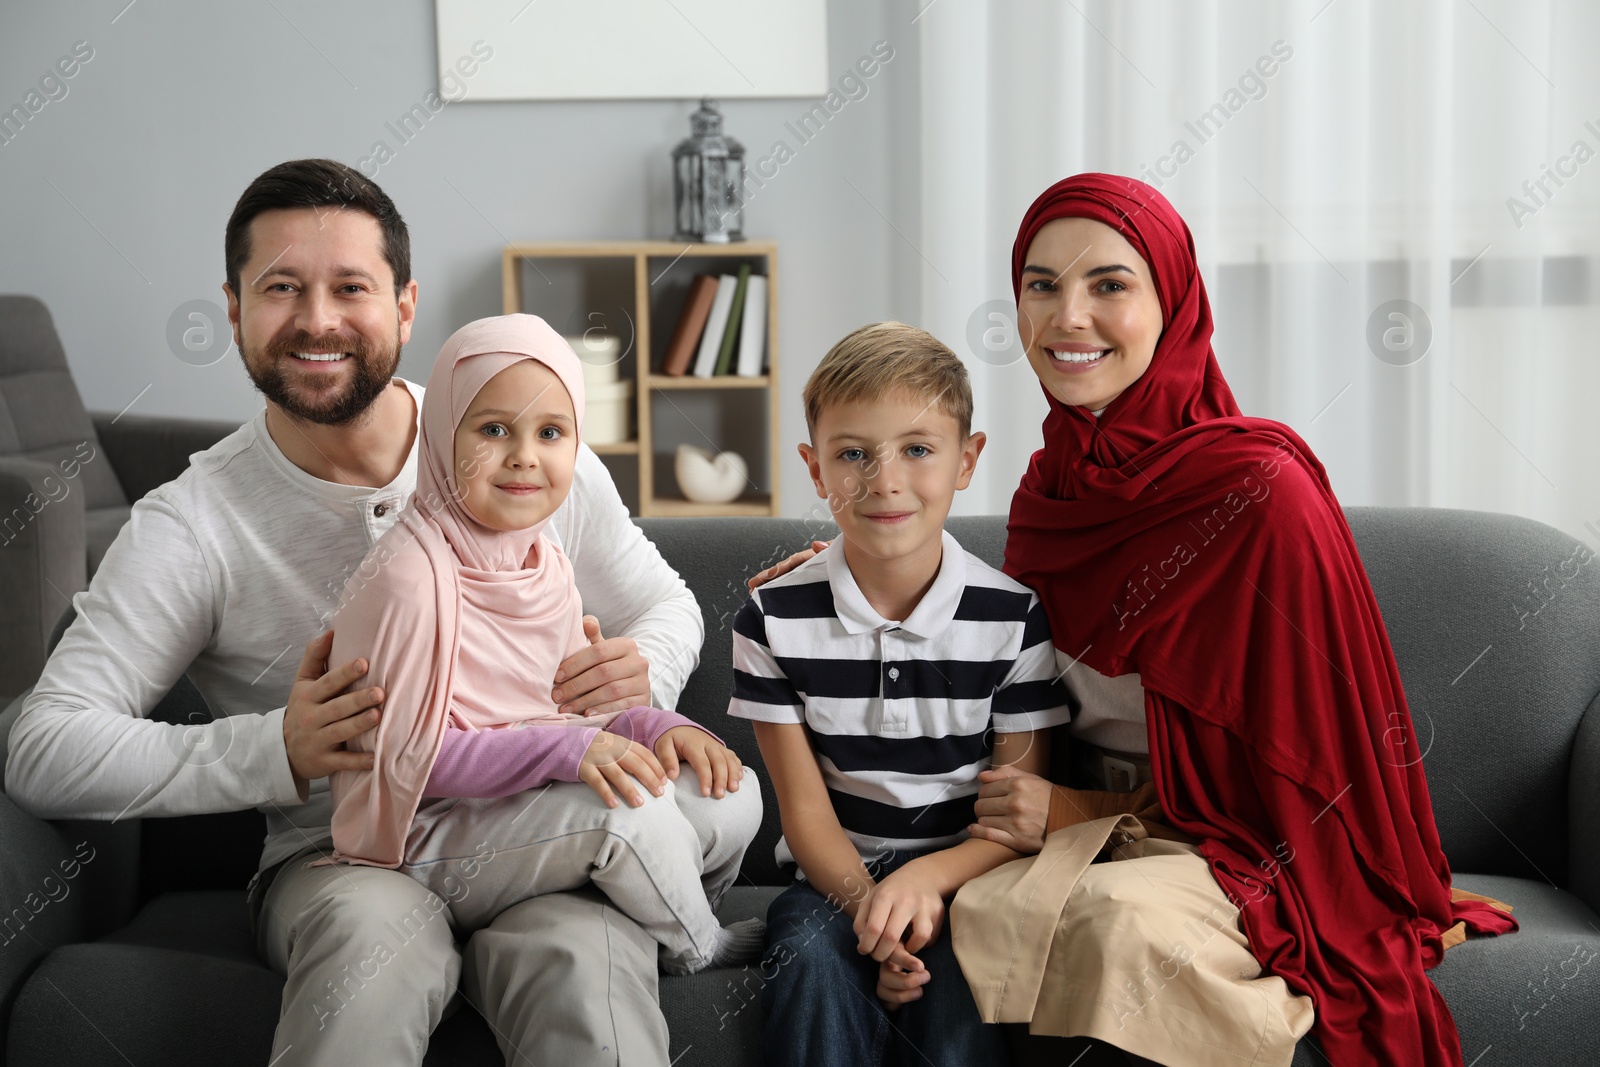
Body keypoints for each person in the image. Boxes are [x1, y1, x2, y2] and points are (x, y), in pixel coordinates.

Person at [5, 158, 705, 1066]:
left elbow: (668, 603)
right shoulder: (192, 522)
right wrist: (275, 748)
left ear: (406, 307)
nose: (318, 319)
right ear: (234, 309)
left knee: (583, 966)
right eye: (281, 287)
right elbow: (45, 746)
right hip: (340, 862)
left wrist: (645, 661)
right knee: (370, 953)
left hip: (541, 830)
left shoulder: (521, 437)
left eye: (351, 288)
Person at [951, 173, 1517, 1067]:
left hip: (1238, 840)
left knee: (1115, 925)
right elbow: (1002, 633)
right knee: (977, 914)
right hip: (1098, 827)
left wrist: (1078, 811)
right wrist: (858, 570)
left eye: (1109, 284)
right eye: (1040, 284)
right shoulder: (1046, 492)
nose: (1067, 317)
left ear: (1173, 301)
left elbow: (1310, 780)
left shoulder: (1258, 493)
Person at [321, 313, 762, 973]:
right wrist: (568, 749)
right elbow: (407, 761)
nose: (525, 454)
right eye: (493, 429)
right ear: (443, 434)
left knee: (731, 790)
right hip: (431, 833)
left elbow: (572, 710)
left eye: (551, 432)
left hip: (534, 805)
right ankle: (697, 945)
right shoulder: (408, 578)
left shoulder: (543, 557)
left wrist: (656, 725)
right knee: (632, 819)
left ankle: (666, 903)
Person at [729, 322, 1073, 1067]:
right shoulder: (773, 617)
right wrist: (871, 912)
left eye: (918, 449)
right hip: (830, 884)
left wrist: (924, 884)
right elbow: (807, 814)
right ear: (815, 469)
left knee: (966, 984)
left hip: (967, 877)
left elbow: (1014, 814)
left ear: (966, 460)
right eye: (853, 453)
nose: (884, 480)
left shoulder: (1012, 617)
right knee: (810, 963)